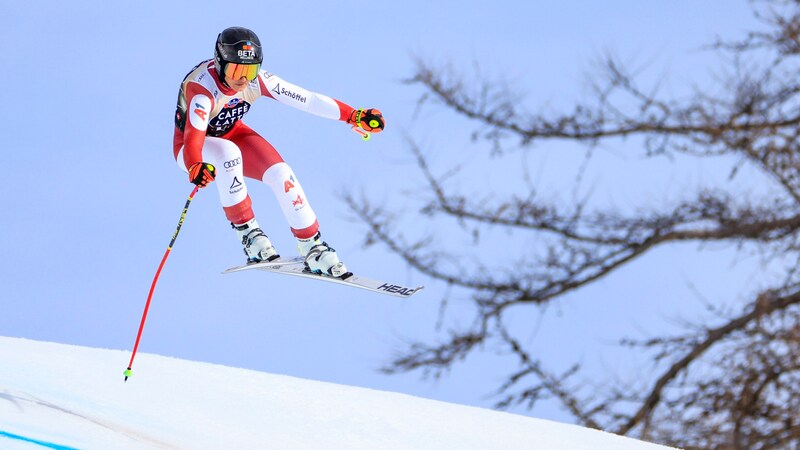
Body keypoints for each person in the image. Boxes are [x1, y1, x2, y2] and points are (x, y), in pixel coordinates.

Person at [173, 26, 384, 278]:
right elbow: (193, 136)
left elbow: (309, 100)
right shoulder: (203, 90)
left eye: (250, 70)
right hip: (191, 147)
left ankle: (313, 245)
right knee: (228, 154)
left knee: (282, 174)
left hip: (232, 133)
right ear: (220, 64)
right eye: (237, 70)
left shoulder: (258, 81)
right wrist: (195, 163)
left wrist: (353, 115)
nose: (243, 79)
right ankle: (249, 235)